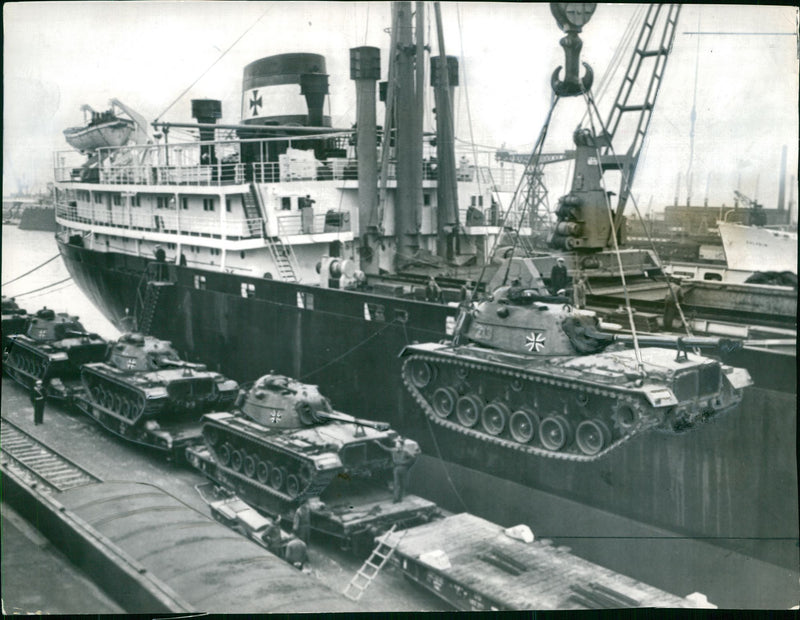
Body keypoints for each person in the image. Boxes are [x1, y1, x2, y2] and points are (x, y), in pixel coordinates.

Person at [375, 437, 418, 503]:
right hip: (396, 469)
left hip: (403, 468)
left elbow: (413, 459)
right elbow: (385, 448)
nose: (396, 445)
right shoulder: (393, 450)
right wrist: (378, 443)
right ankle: (396, 499)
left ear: (401, 445)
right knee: (396, 484)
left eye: (398, 444)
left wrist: (406, 464)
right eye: (396, 444)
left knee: (403, 484)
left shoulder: (405, 452)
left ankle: (400, 498)